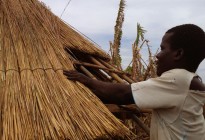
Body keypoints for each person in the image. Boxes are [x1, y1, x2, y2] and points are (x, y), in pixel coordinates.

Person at [63, 24, 205, 140]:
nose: (157, 55)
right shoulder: (190, 80)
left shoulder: (179, 79)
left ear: (178, 54)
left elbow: (122, 93)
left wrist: (85, 80)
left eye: (162, 49)